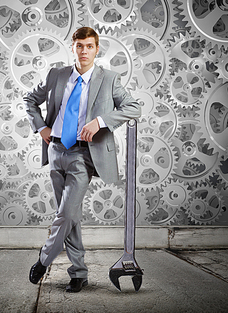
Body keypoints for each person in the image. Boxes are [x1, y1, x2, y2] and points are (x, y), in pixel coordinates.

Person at [23, 26, 141, 292]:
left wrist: (99, 122)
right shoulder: (56, 75)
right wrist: (40, 126)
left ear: (96, 49)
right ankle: (78, 273)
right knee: (70, 216)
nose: (84, 51)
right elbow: (30, 99)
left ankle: (44, 259)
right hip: (55, 150)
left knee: (65, 213)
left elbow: (134, 107)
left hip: (82, 155)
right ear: (73, 47)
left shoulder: (109, 79)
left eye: (89, 46)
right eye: (79, 46)